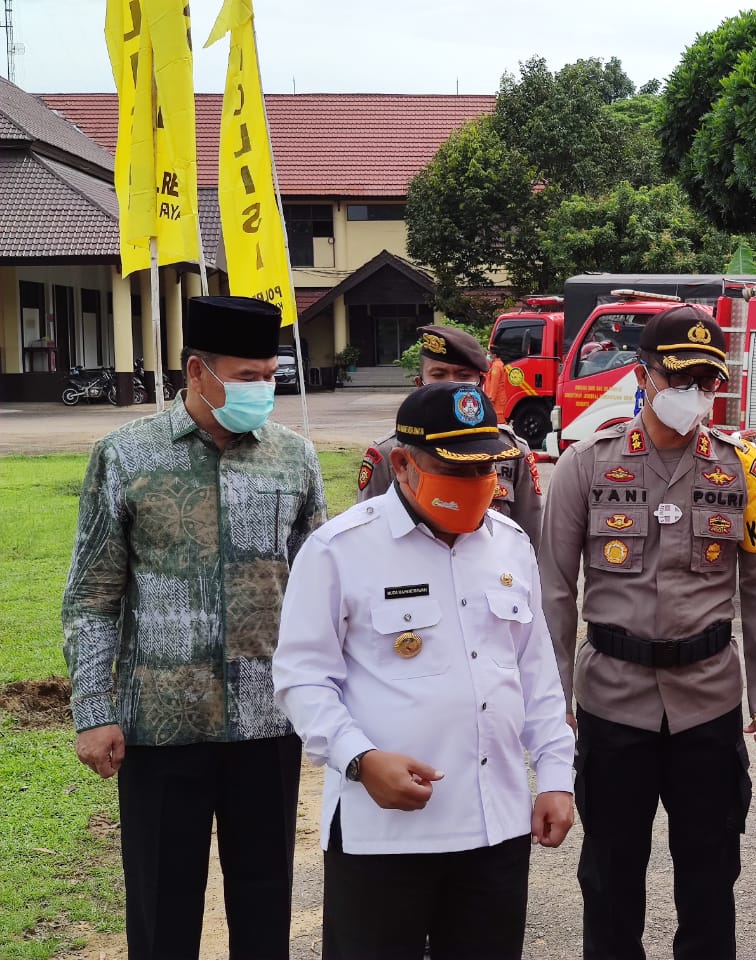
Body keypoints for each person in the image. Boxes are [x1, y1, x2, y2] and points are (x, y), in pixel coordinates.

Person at [62, 296, 327, 960]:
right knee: (162, 907)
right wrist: (94, 709)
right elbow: (93, 596)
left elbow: (323, 593)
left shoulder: (295, 459)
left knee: (266, 905)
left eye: (270, 374)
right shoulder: (125, 456)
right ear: (196, 372)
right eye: (246, 375)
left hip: (268, 722)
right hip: (160, 726)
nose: (262, 389)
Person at [274, 382, 575, 960]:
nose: (477, 484)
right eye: (455, 469)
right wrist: (360, 759)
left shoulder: (510, 544)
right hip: (383, 832)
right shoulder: (341, 549)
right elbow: (302, 677)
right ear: (403, 464)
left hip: (495, 826)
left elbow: (536, 673)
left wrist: (557, 776)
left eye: (487, 467)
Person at [540, 304, 756, 960]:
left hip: (708, 705)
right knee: (609, 880)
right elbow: (554, 589)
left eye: (706, 381)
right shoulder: (587, 465)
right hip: (612, 703)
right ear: (644, 375)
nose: (694, 394)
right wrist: (551, 704)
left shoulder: (741, 468)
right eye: (679, 378)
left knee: (711, 879)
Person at [357, 325, 542, 550]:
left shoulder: (511, 450)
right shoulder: (389, 453)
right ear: (419, 384)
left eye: (463, 376)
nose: (450, 385)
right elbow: (368, 535)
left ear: (481, 385)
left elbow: (530, 540)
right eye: (438, 375)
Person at [484, 349, 510, 423]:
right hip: (499, 397)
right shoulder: (500, 364)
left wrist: (491, 398)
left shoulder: (496, 367)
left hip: (497, 399)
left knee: (498, 421)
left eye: (489, 354)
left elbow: (494, 384)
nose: (488, 356)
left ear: (494, 355)